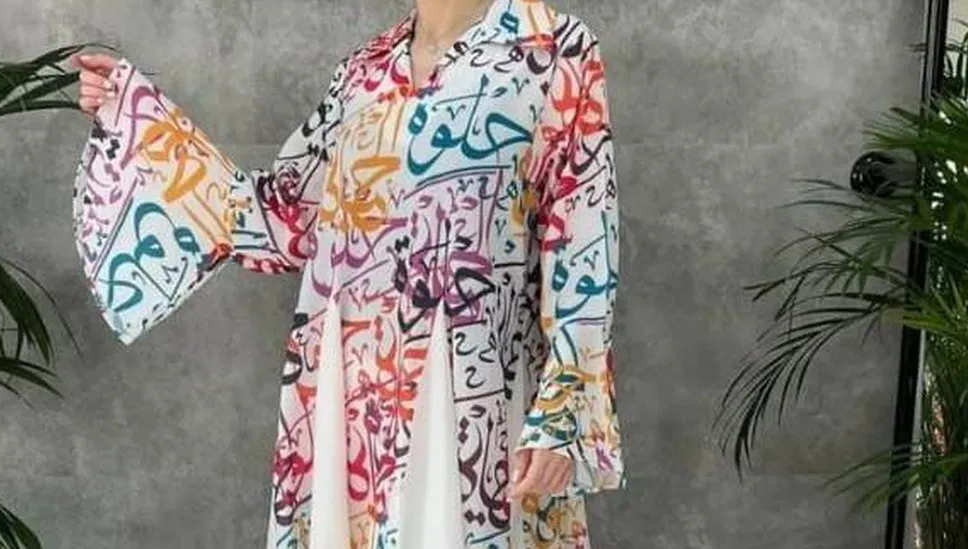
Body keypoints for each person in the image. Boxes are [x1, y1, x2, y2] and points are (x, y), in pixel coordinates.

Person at [71, 0, 624, 547]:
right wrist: (136, 119)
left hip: (475, 391)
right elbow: (282, 217)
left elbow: (583, 238)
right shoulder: (364, 70)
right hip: (354, 396)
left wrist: (563, 410)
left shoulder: (554, 49)